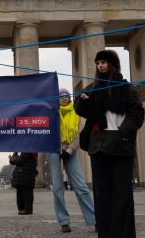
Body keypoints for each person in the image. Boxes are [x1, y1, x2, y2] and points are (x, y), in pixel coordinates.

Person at [74, 50, 144, 238]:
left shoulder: (127, 88)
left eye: (104, 62)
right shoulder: (91, 88)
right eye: (98, 63)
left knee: (122, 195)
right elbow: (81, 110)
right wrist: (82, 100)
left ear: (112, 65)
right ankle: (105, 233)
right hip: (99, 145)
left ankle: (123, 234)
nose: (101, 66)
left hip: (120, 144)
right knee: (102, 195)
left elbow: (137, 114)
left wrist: (123, 132)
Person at [49, 88, 96, 233]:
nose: (64, 98)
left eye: (66, 96)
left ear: (70, 98)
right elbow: (48, 132)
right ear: (57, 99)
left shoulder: (77, 113)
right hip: (54, 149)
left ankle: (94, 219)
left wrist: (68, 151)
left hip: (71, 149)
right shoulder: (52, 114)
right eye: (61, 96)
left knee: (81, 186)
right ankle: (64, 221)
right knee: (57, 187)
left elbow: (77, 135)